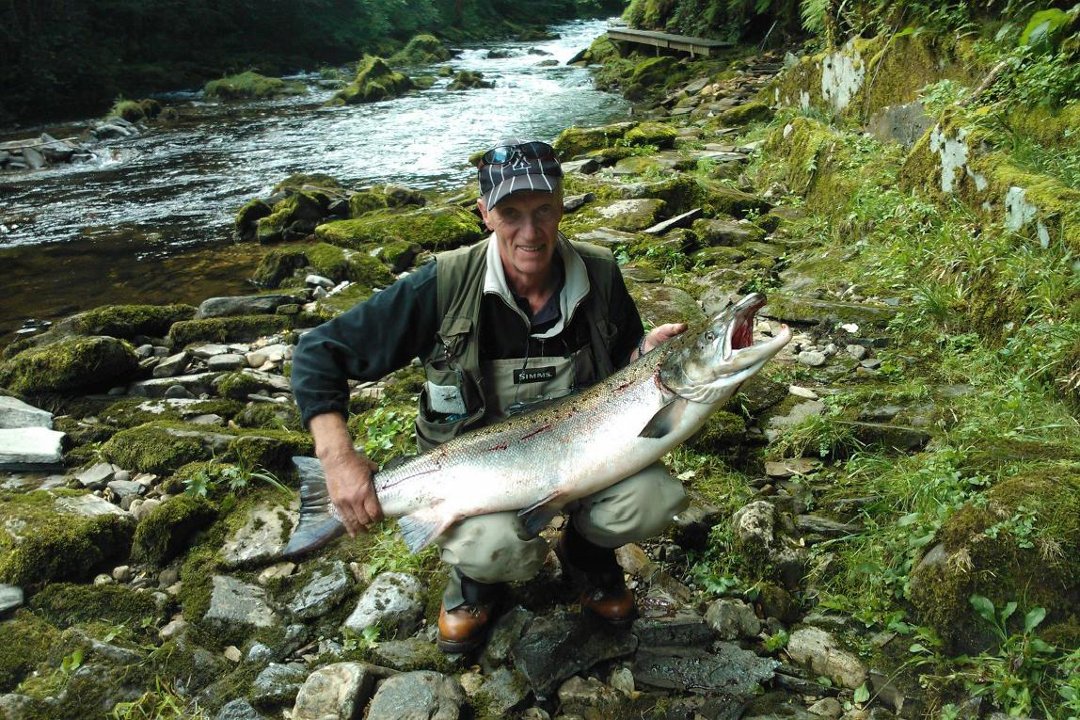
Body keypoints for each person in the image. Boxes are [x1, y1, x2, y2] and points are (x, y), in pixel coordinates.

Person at [290, 138, 689, 653]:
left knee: (653, 498)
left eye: (543, 209)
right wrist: (337, 459)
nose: (530, 231)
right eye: (511, 213)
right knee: (492, 546)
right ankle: (476, 585)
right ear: (485, 213)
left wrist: (644, 360)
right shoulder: (443, 285)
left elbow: (620, 374)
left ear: (562, 204)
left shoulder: (600, 275)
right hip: (474, 475)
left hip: (581, 460)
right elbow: (319, 352)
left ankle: (585, 558)